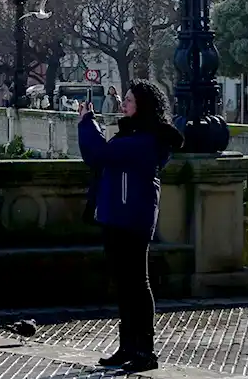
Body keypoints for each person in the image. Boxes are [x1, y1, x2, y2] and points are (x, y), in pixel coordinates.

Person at [77, 79, 183, 373]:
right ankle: (128, 346)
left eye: (129, 101)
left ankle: (145, 350)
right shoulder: (136, 134)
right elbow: (101, 158)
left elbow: (99, 155)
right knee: (125, 283)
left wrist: (87, 123)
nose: (123, 105)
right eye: (124, 100)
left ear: (143, 107)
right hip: (116, 214)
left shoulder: (147, 140)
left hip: (131, 217)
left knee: (137, 283)